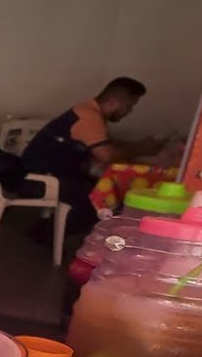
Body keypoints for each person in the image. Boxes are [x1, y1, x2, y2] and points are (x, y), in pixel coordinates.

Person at [20, 77, 164, 239]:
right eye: (129, 106)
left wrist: (141, 146)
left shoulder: (87, 111)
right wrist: (141, 148)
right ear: (115, 101)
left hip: (44, 174)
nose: (129, 112)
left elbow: (108, 144)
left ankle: (49, 232)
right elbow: (106, 155)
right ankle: (44, 234)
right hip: (40, 180)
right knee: (101, 200)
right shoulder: (89, 117)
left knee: (102, 190)